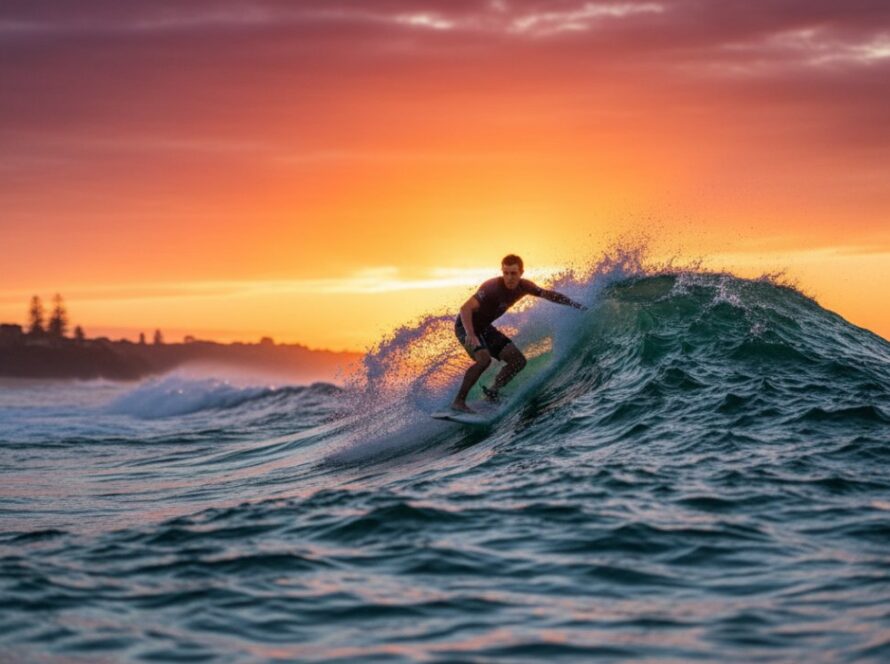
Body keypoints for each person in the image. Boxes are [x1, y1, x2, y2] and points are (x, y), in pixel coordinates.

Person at [451, 254, 586, 413]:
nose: (509, 277)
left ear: (521, 272)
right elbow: (465, 309)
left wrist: (574, 304)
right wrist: (471, 334)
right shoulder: (491, 287)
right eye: (506, 273)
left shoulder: (525, 286)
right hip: (466, 326)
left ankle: (493, 392)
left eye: (513, 273)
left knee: (518, 361)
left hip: (485, 328)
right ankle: (458, 402)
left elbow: (548, 294)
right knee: (484, 360)